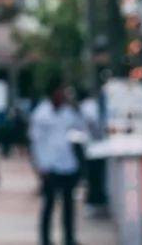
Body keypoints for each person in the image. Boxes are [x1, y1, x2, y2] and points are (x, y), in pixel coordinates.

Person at [30, 78, 86, 245]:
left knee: (69, 205)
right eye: (60, 91)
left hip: (68, 164)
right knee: (49, 204)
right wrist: (40, 165)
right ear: (53, 93)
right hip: (49, 166)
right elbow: (35, 142)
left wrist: (76, 108)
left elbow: (81, 126)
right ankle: (45, 239)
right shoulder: (41, 114)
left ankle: (69, 238)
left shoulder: (68, 111)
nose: (63, 95)